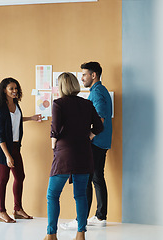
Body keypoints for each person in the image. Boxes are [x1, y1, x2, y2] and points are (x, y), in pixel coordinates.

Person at [44, 72, 103, 240]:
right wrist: (89, 136)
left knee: (53, 195)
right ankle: (81, 233)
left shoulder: (58, 104)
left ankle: (51, 235)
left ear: (61, 86)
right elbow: (99, 127)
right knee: (80, 195)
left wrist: (53, 145)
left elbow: (55, 129)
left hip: (64, 154)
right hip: (84, 153)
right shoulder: (87, 104)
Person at [61, 62, 112, 229]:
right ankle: (99, 216)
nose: (82, 78)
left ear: (93, 75)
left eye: (84, 74)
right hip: (102, 142)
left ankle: (80, 219)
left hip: (96, 143)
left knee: (86, 180)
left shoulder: (97, 93)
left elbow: (101, 119)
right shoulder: (100, 91)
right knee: (97, 178)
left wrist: (88, 137)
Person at [0, 77, 42, 223]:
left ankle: (17, 209)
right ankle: (1, 211)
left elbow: (15, 120)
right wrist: (7, 156)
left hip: (15, 147)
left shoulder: (16, 105)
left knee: (20, 177)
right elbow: (0, 135)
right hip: (3, 149)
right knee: (3, 179)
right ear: (4, 90)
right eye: (11, 89)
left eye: (16, 88)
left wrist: (31, 118)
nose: (15, 91)